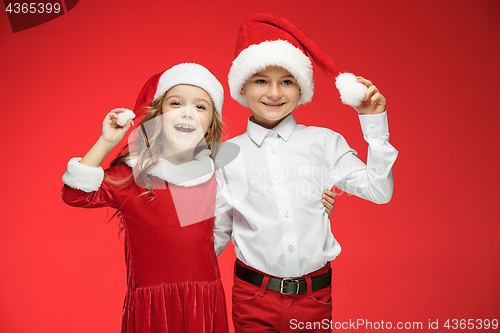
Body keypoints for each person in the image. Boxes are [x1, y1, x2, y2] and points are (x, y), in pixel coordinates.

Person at [213, 14, 399, 332]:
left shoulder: (324, 142)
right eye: (261, 80)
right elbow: (216, 234)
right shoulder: (226, 156)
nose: (274, 92)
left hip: (314, 298)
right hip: (252, 297)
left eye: (286, 80)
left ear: (302, 89)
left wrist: (374, 126)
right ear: (242, 86)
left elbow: (379, 191)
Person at [61, 63, 229, 333]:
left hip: (204, 305)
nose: (187, 112)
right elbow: (75, 193)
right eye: (176, 103)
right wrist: (106, 142)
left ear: (210, 126)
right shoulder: (131, 177)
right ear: (157, 117)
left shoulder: (214, 176)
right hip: (152, 310)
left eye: (200, 107)